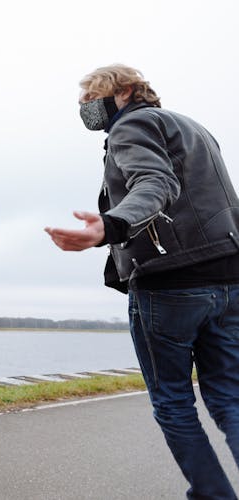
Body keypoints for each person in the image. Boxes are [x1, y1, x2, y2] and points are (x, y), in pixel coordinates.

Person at [45, 64, 239, 499]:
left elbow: (154, 182)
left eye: (89, 97)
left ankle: (213, 494)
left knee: (173, 403)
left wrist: (110, 226)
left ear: (125, 91)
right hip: (229, 279)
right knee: (230, 398)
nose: (84, 108)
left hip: (170, 283)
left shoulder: (130, 126)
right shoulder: (197, 129)